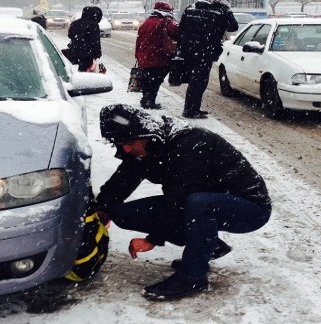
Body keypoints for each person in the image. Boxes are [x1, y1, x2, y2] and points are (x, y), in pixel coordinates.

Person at [94, 104, 272, 300]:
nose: (126, 149)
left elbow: (178, 202)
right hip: (200, 202)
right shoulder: (144, 146)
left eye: (129, 142)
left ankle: (193, 277)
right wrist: (102, 209)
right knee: (123, 213)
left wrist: (152, 239)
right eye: (119, 144)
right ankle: (209, 246)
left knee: (198, 204)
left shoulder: (190, 144)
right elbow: (122, 181)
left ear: (145, 133)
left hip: (250, 207)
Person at [178, 0, 238, 119]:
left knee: (194, 80)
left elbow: (181, 29)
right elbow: (233, 26)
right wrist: (227, 10)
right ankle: (190, 110)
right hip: (206, 51)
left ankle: (191, 108)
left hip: (188, 50)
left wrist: (183, 46)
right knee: (199, 81)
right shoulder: (221, 11)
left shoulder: (192, 7)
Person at [135, 1, 179, 109]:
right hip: (159, 57)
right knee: (155, 80)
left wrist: (137, 55)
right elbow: (178, 31)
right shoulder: (167, 21)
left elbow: (139, 40)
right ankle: (150, 101)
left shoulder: (146, 22)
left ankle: (145, 99)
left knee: (146, 80)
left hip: (144, 57)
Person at [65, 6, 103, 72]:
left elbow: (70, 35)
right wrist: (98, 54)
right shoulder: (93, 25)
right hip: (87, 53)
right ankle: (84, 80)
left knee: (81, 68)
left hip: (75, 51)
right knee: (87, 70)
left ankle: (80, 77)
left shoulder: (75, 23)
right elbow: (95, 41)